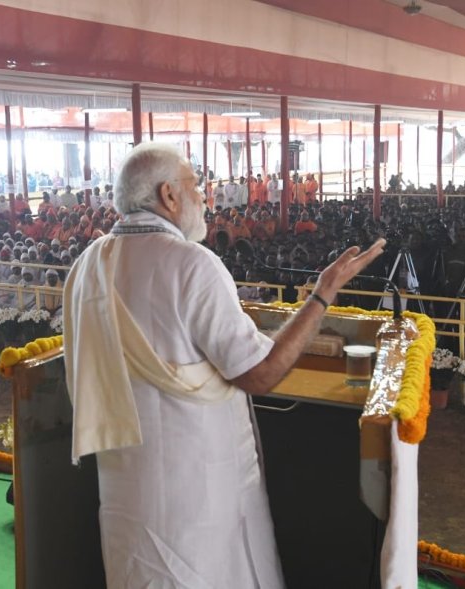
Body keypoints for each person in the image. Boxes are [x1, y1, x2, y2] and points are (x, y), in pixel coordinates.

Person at [63, 142, 385, 588]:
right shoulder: (192, 263)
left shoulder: (87, 267)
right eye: (196, 186)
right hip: (196, 487)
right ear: (169, 195)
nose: (204, 199)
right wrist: (323, 293)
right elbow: (260, 372)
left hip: (125, 478)